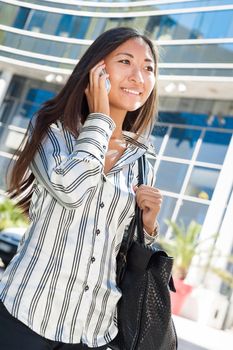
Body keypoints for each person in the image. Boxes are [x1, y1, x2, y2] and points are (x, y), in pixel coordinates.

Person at [0, 27, 162, 349]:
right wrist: (101, 120)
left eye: (148, 68)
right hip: (25, 317)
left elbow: (122, 248)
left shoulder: (142, 159)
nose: (138, 77)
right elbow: (70, 190)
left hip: (91, 331)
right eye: (126, 62)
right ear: (96, 71)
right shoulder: (52, 130)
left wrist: (148, 225)